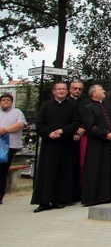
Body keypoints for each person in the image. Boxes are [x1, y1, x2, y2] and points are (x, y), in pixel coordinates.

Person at [31, 81, 81, 212]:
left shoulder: (72, 106)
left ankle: (59, 199)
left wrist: (63, 131)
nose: (61, 91)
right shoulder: (46, 106)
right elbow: (39, 123)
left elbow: (76, 122)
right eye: (58, 89)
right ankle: (44, 201)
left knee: (63, 172)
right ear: (54, 92)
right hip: (50, 144)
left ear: (67, 91)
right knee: (47, 172)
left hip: (65, 144)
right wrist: (49, 133)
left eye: (63, 89)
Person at [80, 85, 111, 206]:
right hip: (97, 144)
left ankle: (109, 194)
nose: (104, 91)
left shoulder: (107, 105)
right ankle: (96, 197)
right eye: (101, 90)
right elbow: (90, 127)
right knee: (97, 169)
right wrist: (105, 134)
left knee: (110, 168)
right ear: (94, 94)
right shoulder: (88, 108)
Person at [0, 93, 26, 205]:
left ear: (12, 102)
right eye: (3, 100)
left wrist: (5, 130)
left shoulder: (17, 112)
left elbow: (20, 124)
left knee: (2, 171)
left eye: (8, 100)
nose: (6, 101)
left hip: (9, 146)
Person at [68, 80, 88, 200]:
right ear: (70, 89)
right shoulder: (65, 102)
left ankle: (80, 191)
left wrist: (82, 129)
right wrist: (74, 131)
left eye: (80, 89)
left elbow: (89, 118)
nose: (77, 91)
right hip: (68, 137)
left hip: (82, 137)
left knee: (81, 165)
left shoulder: (85, 103)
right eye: (75, 88)